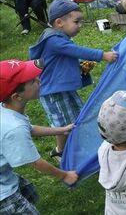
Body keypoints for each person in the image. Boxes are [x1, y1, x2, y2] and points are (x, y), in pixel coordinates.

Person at [28, 0, 118, 160]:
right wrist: (103, 55)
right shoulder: (53, 40)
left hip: (63, 89)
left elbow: (62, 60)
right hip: (53, 92)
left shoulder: (57, 37)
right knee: (63, 123)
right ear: (59, 22)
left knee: (77, 116)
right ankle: (60, 151)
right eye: (76, 21)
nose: (79, 25)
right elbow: (76, 50)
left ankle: (76, 146)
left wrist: (79, 68)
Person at [0, 59, 78, 214]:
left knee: (30, 196)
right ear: (17, 97)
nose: (39, 80)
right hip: (3, 193)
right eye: (32, 81)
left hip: (5, 176)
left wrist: (61, 130)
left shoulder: (7, 111)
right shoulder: (14, 128)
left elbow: (29, 129)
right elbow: (35, 163)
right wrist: (65, 175)